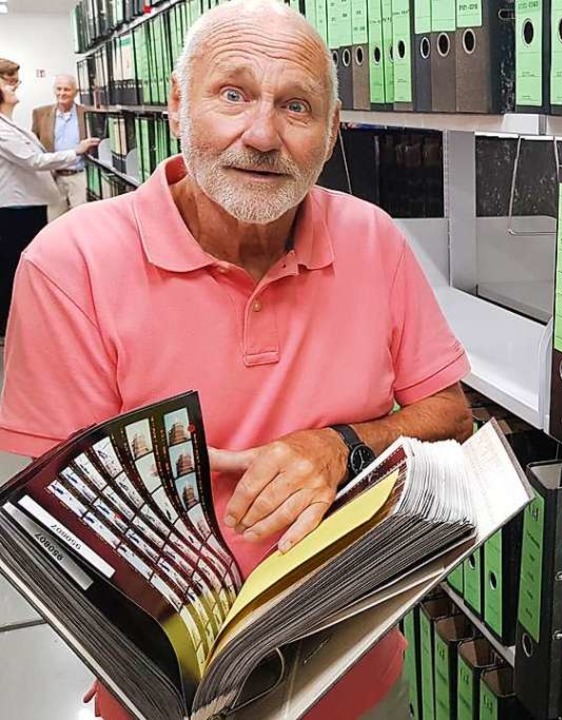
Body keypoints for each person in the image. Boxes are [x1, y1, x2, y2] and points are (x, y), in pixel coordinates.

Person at [0, 2, 471, 718]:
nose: (262, 134)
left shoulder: (373, 240)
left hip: (360, 676)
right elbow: (59, 517)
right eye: (232, 94)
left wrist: (342, 446)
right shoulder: (70, 266)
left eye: (296, 106)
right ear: (175, 106)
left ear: (331, 133)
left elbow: (452, 415)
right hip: (169, 696)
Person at [0, 58, 98, 335]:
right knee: (15, 262)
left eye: (16, 81)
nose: (15, 87)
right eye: (10, 82)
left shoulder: (9, 122)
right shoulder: (18, 121)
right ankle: (14, 325)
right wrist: (76, 151)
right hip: (17, 204)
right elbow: (33, 159)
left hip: (35, 198)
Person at [31, 74, 90, 221]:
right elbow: (34, 144)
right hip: (53, 179)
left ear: (76, 92)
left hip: (79, 176)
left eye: (67, 89)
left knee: (81, 221)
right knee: (54, 223)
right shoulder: (40, 114)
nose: (62, 93)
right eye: (58, 89)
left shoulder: (87, 113)